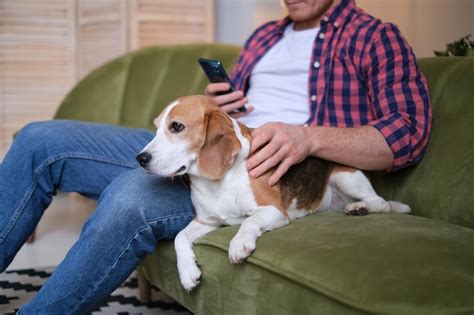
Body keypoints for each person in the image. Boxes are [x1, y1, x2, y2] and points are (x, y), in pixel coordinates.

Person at [0, 0, 431, 313]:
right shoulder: (264, 36)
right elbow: (220, 122)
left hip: (255, 170)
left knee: (130, 199)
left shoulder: (375, 37)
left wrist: (309, 138)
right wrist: (218, 106)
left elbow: (408, 133)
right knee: (40, 139)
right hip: (206, 145)